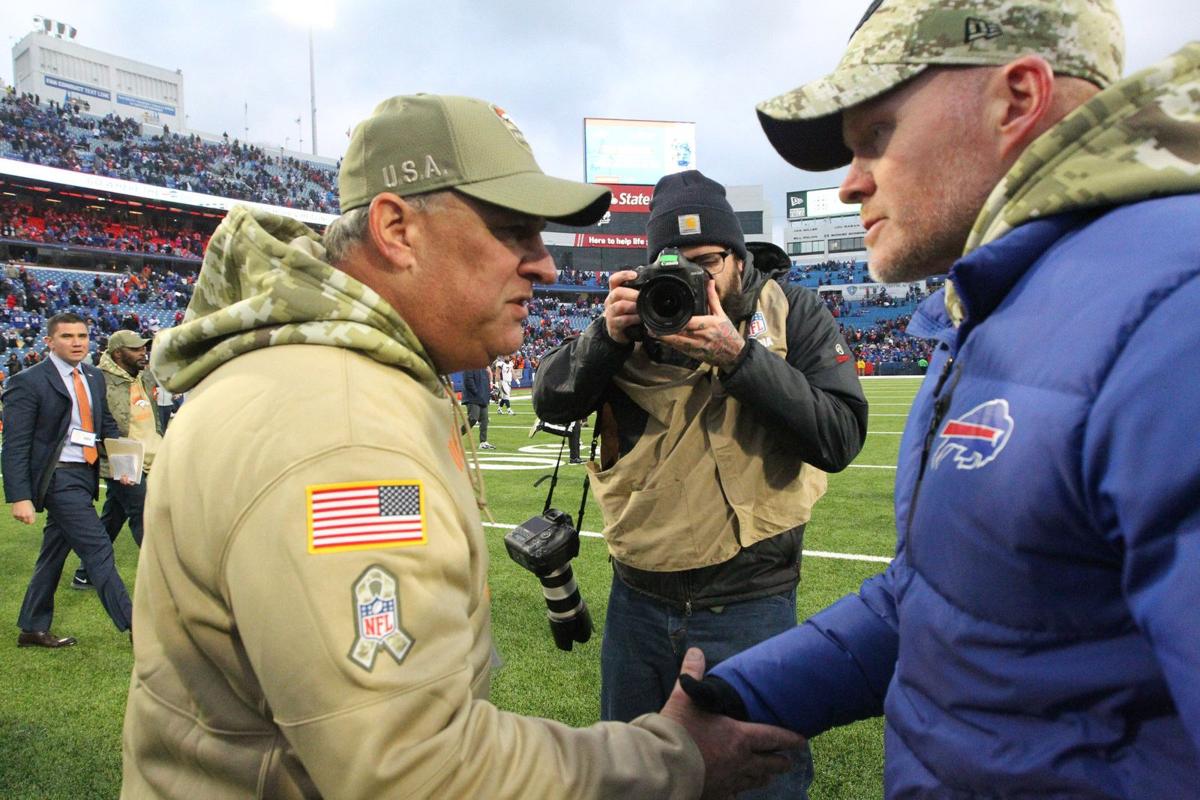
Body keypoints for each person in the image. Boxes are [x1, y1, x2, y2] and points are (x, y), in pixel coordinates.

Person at [121, 94, 802, 799]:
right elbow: (415, 769)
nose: (542, 265)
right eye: (513, 231)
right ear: (395, 229)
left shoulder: (316, 379)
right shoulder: (346, 438)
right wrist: (672, 758)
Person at [682, 2, 1200, 796]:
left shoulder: (1171, 315)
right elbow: (947, 598)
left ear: (1018, 98)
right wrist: (740, 696)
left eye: (878, 136)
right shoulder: (1012, 299)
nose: (851, 181)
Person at [533, 169, 868, 798]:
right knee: (635, 778)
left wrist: (741, 358)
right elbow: (552, 404)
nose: (695, 280)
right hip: (639, 598)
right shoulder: (631, 322)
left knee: (760, 778)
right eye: (675, 265)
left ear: (739, 258)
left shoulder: (792, 312)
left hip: (753, 599)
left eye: (709, 261)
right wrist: (605, 338)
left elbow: (840, 437)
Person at [2, 312, 133, 647]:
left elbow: (104, 427)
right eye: (67, 336)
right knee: (99, 548)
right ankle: (137, 627)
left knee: (53, 552)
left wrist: (123, 466)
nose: (77, 342)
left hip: (84, 474)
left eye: (82, 336)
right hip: (57, 478)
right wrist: (20, 496)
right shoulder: (28, 381)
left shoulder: (92, 376)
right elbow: (15, 444)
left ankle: (32, 627)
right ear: (49, 341)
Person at [70, 329, 162, 589]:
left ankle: (86, 571)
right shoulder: (100, 380)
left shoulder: (144, 375)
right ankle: (163, 575)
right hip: (122, 458)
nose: (143, 352)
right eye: (136, 349)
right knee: (143, 512)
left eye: (144, 347)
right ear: (118, 353)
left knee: (114, 515)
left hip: (151, 456)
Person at [460, 366, 494, 450]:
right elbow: (468, 381)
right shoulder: (468, 365)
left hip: (482, 397)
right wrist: (476, 392)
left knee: (485, 420)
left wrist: (488, 393)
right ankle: (456, 436)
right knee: (473, 418)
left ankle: (483, 442)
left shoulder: (483, 366)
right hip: (472, 397)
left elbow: (485, 381)